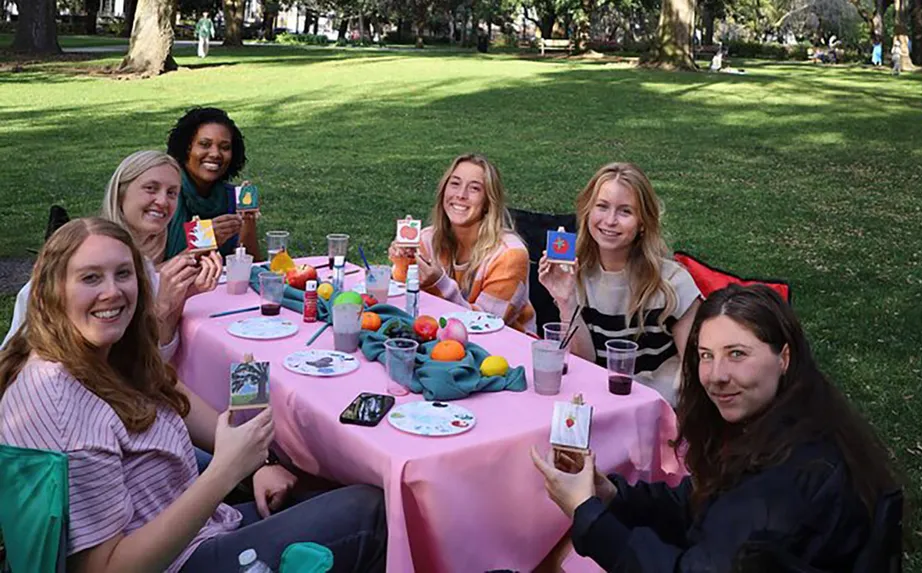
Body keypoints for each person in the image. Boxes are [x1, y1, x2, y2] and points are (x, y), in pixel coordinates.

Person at [0, 218, 387, 572]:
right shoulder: (60, 401)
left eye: (123, 274)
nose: (112, 292)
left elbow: (176, 401)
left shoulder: (107, 355)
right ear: (52, 289)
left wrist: (257, 462)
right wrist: (224, 473)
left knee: (322, 484)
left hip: (205, 527)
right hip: (178, 561)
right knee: (374, 512)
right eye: (90, 278)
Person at [530, 284, 901, 571]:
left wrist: (587, 512)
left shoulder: (785, 481)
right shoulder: (783, 426)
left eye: (737, 354)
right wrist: (613, 496)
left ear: (783, 357)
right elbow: (702, 503)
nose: (716, 376)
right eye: (706, 356)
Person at [2, 151, 223, 360]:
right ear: (120, 192)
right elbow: (107, 366)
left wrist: (178, 300)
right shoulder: (80, 260)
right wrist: (162, 307)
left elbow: (158, 357)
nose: (163, 201)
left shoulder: (143, 266)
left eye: (172, 193)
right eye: (150, 188)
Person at [537, 163, 700, 405]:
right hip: (600, 404)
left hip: (661, 409)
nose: (610, 220)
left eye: (625, 212)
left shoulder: (673, 284)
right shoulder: (576, 275)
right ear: (587, 212)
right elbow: (585, 363)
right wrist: (566, 301)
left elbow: (697, 368)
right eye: (601, 207)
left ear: (642, 223)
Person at [389, 153, 536, 333]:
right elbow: (403, 303)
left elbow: (484, 325)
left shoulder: (510, 255)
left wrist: (439, 283)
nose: (460, 195)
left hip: (507, 349)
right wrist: (403, 263)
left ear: (488, 202)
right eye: (455, 184)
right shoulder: (426, 239)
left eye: (474, 188)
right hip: (437, 338)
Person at [165, 107, 262, 261]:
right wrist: (206, 239)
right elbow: (149, 272)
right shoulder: (166, 196)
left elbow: (252, 264)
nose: (215, 154)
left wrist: (248, 220)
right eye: (204, 144)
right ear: (186, 148)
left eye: (225, 147)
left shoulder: (231, 197)